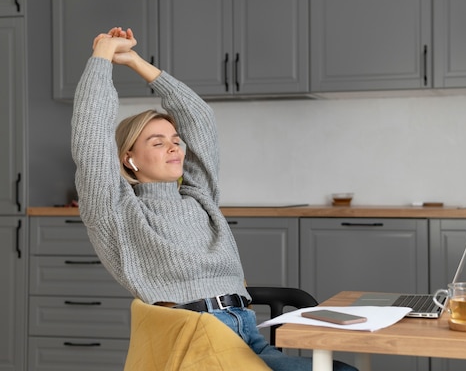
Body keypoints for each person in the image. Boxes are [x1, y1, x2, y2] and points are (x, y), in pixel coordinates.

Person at [71, 27, 357, 371]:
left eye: (175, 139)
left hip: (246, 330)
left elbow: (200, 119)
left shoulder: (197, 195)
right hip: (198, 340)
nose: (174, 146)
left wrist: (135, 61)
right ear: (128, 158)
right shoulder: (115, 209)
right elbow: (91, 138)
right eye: (157, 142)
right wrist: (102, 55)